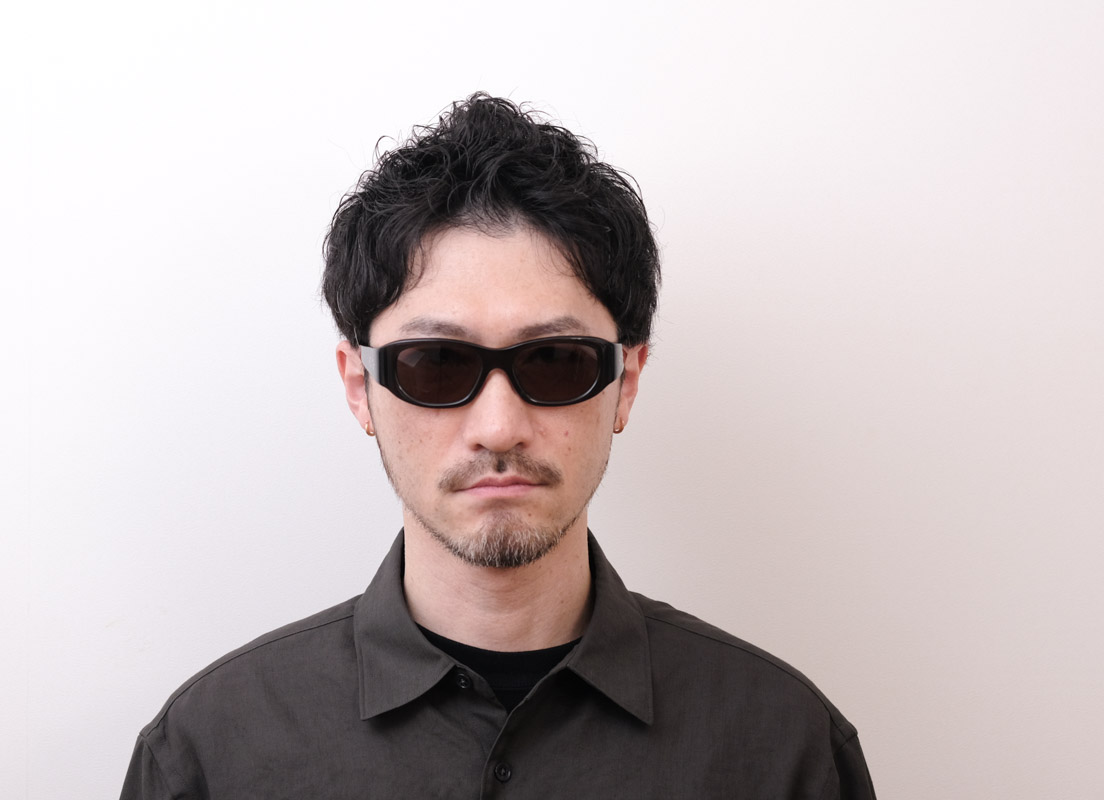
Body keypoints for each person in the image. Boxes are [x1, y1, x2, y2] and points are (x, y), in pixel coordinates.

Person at [120, 93, 877, 799]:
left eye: (556, 361)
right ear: (359, 387)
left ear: (627, 382)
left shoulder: (783, 746)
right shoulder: (209, 752)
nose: (498, 426)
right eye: (435, 363)